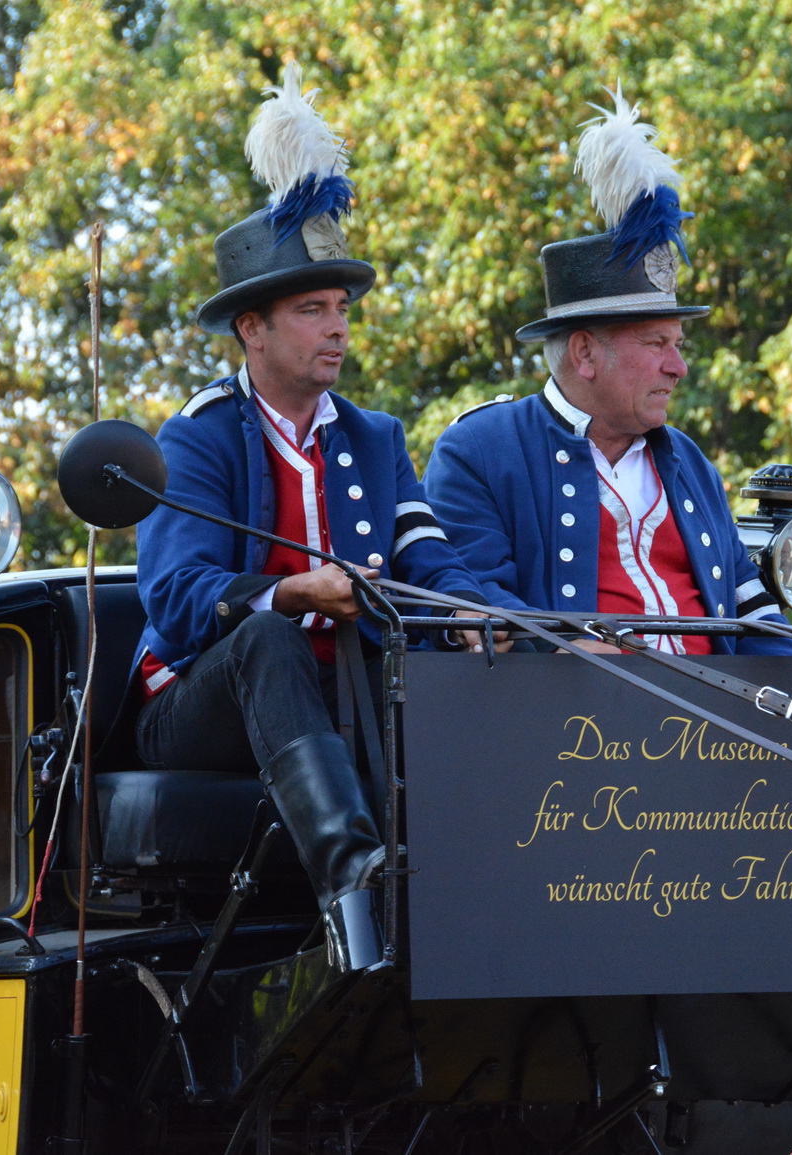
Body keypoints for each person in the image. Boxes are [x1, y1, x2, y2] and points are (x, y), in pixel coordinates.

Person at [132, 64, 499, 969]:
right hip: (194, 697)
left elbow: (427, 555)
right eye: (311, 311)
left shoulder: (377, 439)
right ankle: (354, 878)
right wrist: (295, 589)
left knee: (457, 655)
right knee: (271, 642)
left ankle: (503, 882)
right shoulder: (197, 437)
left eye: (341, 309)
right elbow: (178, 604)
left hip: (347, 696)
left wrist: (466, 610)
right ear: (251, 330)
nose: (337, 329)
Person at [423, 89, 792, 658]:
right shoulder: (479, 451)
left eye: (678, 345)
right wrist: (569, 653)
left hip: (718, 736)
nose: (677, 367)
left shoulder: (689, 461)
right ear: (583, 353)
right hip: (582, 736)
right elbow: (480, 610)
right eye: (656, 344)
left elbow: (755, 619)